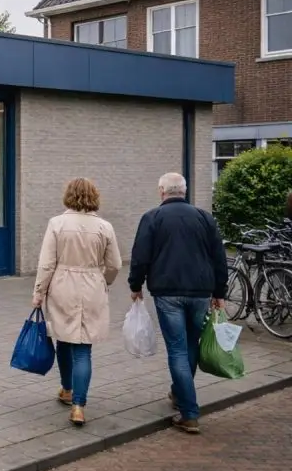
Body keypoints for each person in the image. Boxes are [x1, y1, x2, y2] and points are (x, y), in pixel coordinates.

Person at [129, 173, 227, 435]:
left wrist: (135, 285)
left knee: (177, 350)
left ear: (162, 191)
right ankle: (179, 393)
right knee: (190, 346)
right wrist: (220, 291)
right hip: (200, 292)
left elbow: (140, 255)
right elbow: (219, 256)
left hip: (167, 291)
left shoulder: (153, 218)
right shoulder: (205, 217)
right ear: (184, 191)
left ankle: (190, 412)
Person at [32, 178, 122, 426]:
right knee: (83, 348)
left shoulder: (57, 224)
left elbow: (47, 262)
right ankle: (79, 406)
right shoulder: (104, 227)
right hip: (92, 285)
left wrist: (39, 291)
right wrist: (104, 281)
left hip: (62, 285)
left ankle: (67, 388)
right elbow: (115, 264)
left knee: (63, 338)